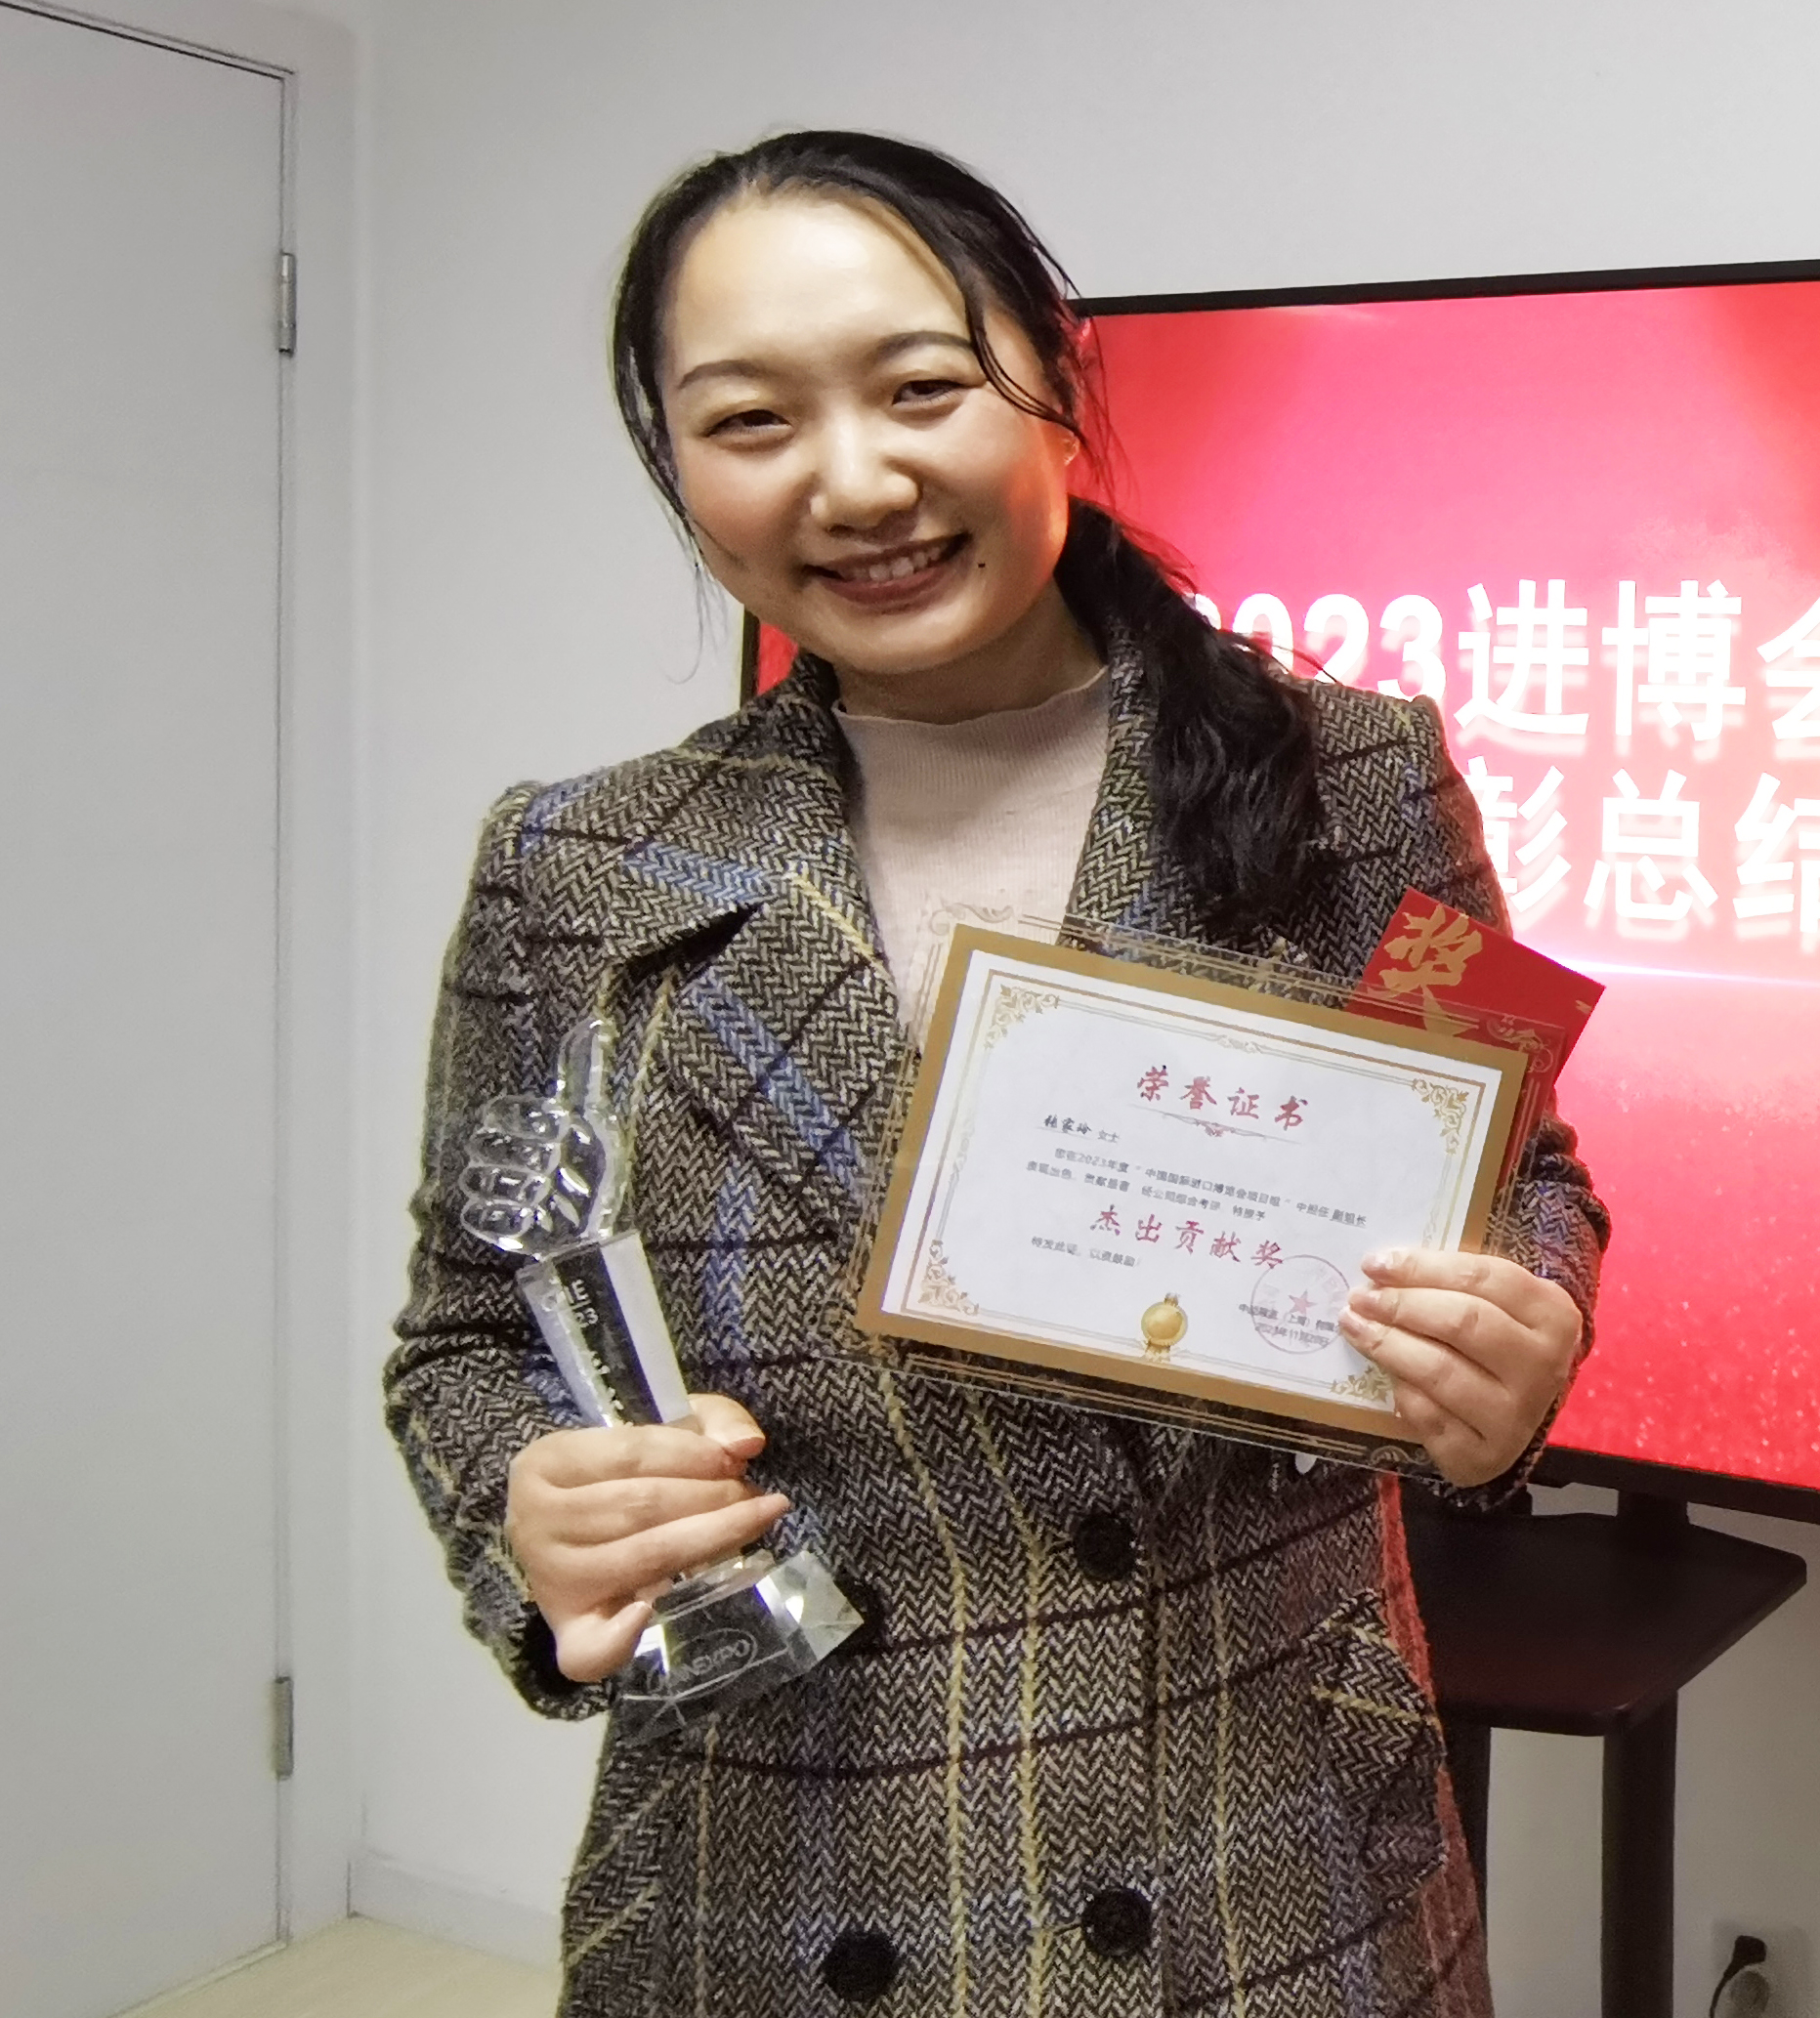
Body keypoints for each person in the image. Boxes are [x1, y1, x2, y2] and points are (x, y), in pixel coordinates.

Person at [383, 129, 1606, 2018]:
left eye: (919, 388)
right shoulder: (581, 863)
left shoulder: (1353, 777)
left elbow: (1519, 1170)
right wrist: (531, 1518)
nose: (856, 481)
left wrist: (1517, 1338)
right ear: (676, 464)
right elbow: (470, 1333)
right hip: (776, 1856)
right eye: (749, 420)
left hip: (1263, 1851)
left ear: (1054, 379)